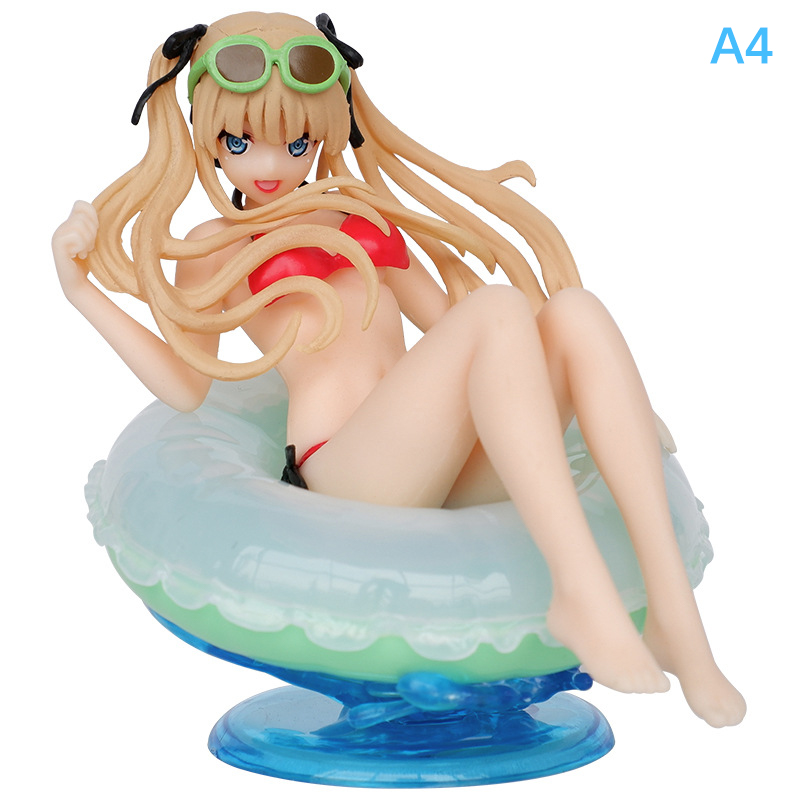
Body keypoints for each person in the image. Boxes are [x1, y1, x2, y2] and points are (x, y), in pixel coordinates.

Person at [52, 11, 745, 727]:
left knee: (575, 313)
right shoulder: (215, 246)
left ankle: (676, 621)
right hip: (341, 471)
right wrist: (81, 293)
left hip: (435, 465)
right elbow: (186, 384)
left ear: (325, 134)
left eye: (296, 142)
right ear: (208, 138)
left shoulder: (364, 221)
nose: (270, 166)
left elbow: (462, 336)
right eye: (240, 142)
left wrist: (613, 403)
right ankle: (579, 590)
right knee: (499, 307)